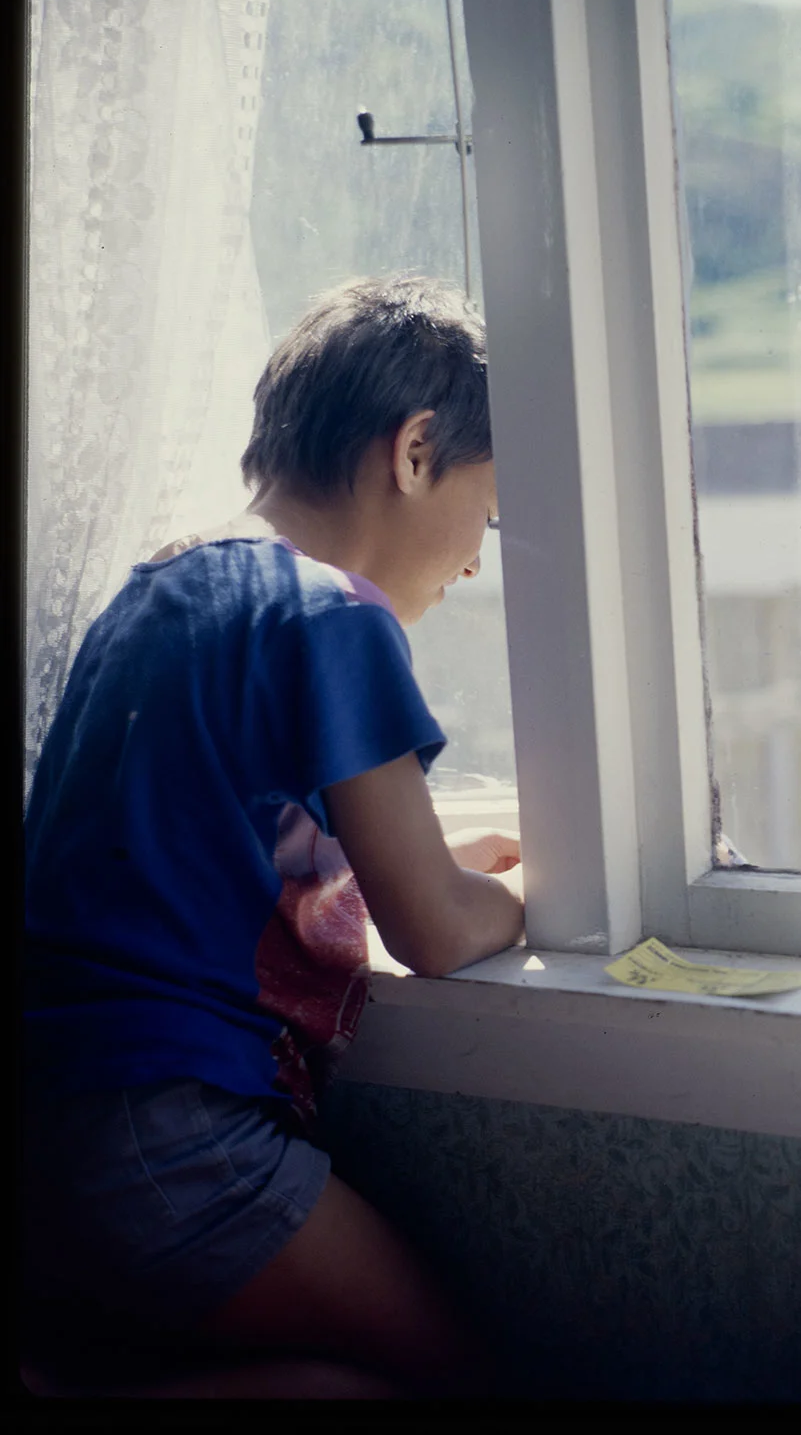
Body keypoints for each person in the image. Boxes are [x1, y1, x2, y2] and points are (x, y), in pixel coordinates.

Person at [22, 276, 525, 1398]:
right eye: (487, 513)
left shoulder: (156, 590)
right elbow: (437, 933)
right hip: (169, 1131)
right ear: (415, 451)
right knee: (461, 1376)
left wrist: (435, 850)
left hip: (56, 1127)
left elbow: (205, 848)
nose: (476, 559)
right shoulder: (333, 615)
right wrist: (555, 884)